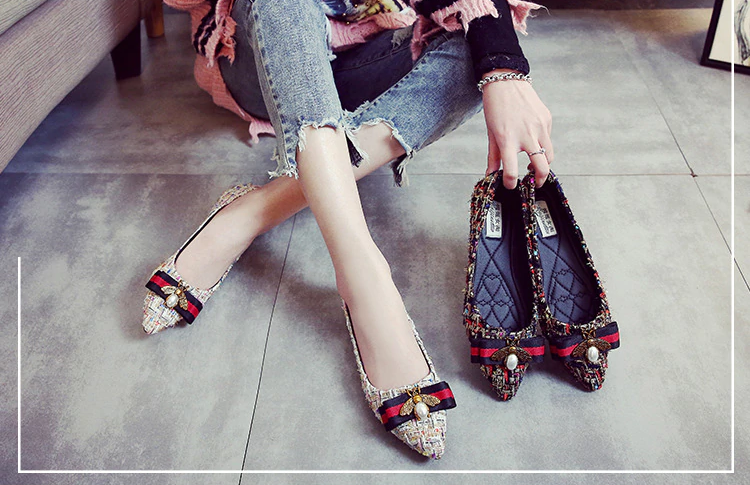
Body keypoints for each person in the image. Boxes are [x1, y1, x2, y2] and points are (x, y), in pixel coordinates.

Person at [143, 0, 553, 459]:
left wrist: (504, 72)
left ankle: (252, 212)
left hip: (367, 52)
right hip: (265, 52)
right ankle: (365, 280)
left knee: (479, 53)